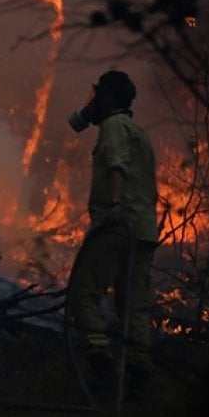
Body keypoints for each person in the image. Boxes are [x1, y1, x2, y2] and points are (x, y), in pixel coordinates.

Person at [65, 70, 159, 393]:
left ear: (106, 98)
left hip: (118, 226)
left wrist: (114, 207)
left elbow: (115, 166)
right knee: (133, 305)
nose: (90, 104)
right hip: (144, 230)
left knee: (83, 291)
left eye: (96, 96)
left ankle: (100, 363)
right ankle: (138, 373)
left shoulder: (114, 127)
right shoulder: (139, 132)